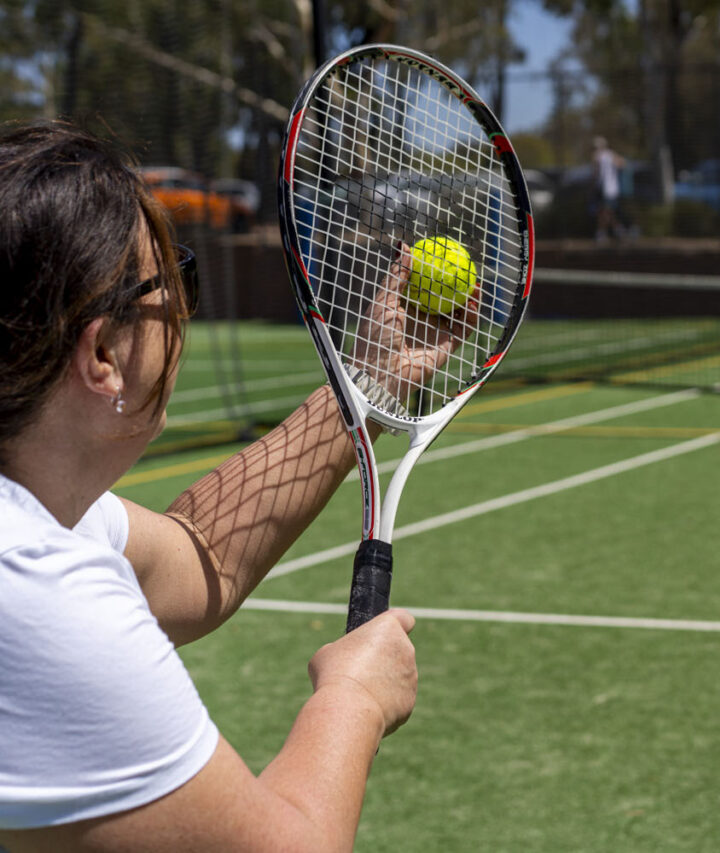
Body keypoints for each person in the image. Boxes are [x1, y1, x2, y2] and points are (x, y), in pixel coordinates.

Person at [0, 123, 466, 852]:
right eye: (175, 282)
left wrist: (370, 383)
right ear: (102, 354)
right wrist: (354, 698)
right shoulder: (30, 588)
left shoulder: (35, 517)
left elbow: (198, 556)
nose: (185, 310)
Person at [591, 135, 624, 241]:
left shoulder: (599, 156)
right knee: (605, 211)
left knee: (605, 211)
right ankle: (614, 230)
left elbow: (595, 173)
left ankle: (609, 231)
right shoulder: (611, 155)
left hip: (605, 188)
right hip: (611, 188)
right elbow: (622, 164)